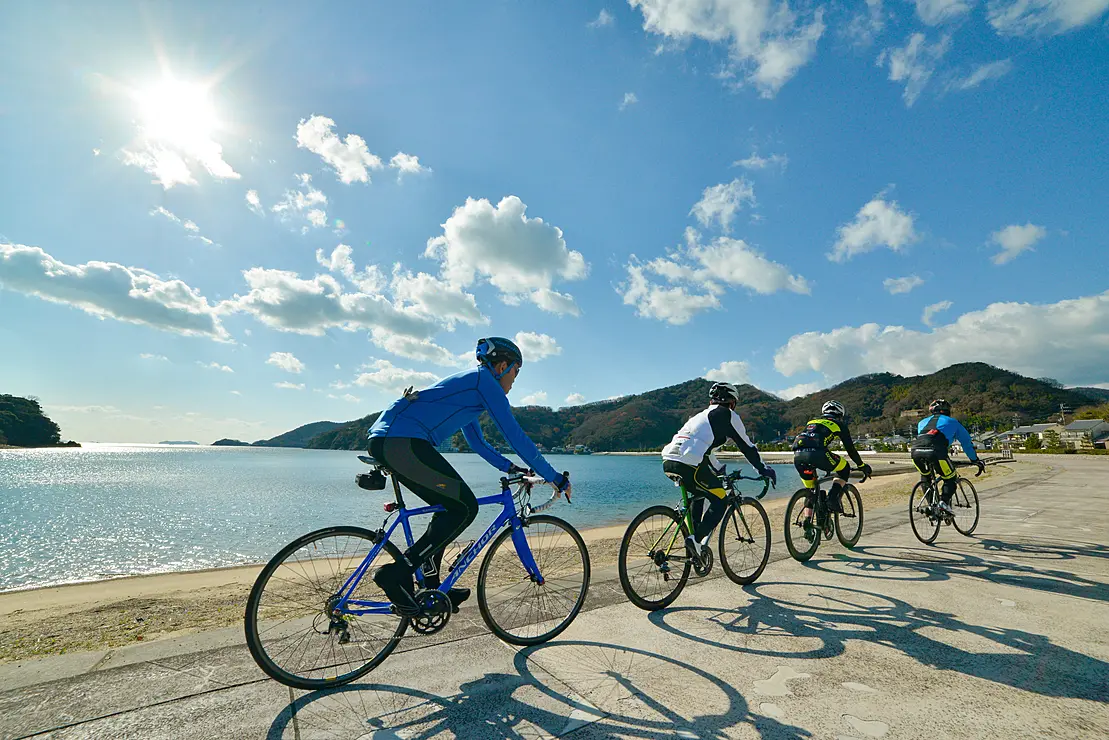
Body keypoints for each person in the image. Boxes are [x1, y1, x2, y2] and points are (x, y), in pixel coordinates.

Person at [367, 337, 571, 615]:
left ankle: (432, 586)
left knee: (449, 509)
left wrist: (511, 468)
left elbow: (477, 442)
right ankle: (396, 573)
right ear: (501, 366)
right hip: (402, 441)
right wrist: (555, 477)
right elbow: (515, 436)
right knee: (466, 507)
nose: (515, 379)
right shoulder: (484, 383)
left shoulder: (473, 388)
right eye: (516, 371)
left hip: (393, 439)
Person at [661, 381, 777, 566]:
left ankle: (693, 548)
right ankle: (695, 541)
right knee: (720, 500)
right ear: (732, 402)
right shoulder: (728, 415)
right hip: (689, 463)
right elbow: (747, 447)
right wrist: (764, 469)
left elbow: (703, 451)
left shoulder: (700, 416)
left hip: (669, 460)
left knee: (699, 493)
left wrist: (720, 471)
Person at [792, 400, 872, 515]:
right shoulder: (839, 424)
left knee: (811, 492)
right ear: (840, 415)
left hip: (798, 455)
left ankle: (808, 525)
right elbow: (851, 449)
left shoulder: (812, 422)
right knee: (844, 468)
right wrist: (861, 465)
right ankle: (832, 498)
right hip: (818, 454)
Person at [911, 399, 985, 514]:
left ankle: (932, 506)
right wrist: (975, 460)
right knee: (950, 478)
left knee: (925, 477)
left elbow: (925, 439)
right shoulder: (953, 422)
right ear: (948, 411)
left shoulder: (921, 422)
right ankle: (943, 503)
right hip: (937, 452)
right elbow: (966, 444)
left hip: (916, 452)